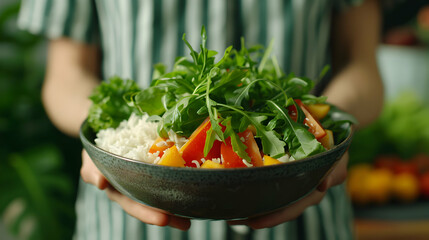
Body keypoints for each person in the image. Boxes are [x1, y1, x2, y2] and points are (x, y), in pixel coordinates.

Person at [18, 0, 384, 239]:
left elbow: (362, 67)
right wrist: (108, 146)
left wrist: (325, 137)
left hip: (305, 219)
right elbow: (66, 75)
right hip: (129, 218)